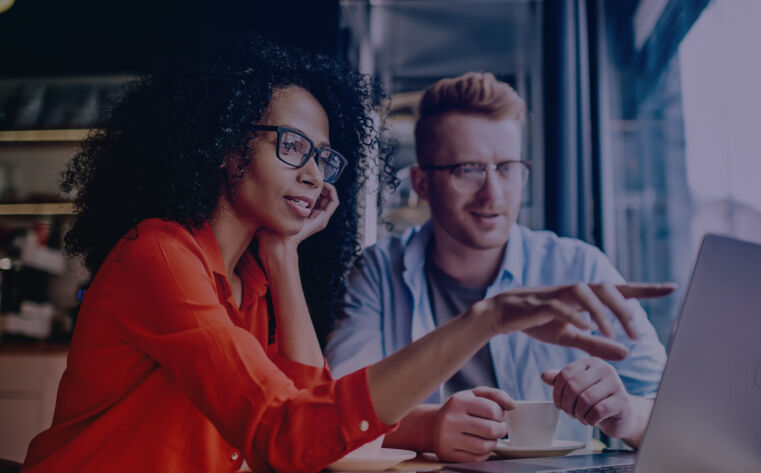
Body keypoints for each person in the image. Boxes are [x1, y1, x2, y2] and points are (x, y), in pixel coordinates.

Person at [18, 40, 672, 473]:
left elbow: (309, 408)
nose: (314, 173)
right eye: (292, 146)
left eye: (323, 156)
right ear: (224, 145)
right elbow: (287, 436)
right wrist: (487, 318)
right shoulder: (159, 255)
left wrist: (281, 256)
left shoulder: (249, 278)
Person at [325, 72, 670, 462]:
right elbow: (333, 413)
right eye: (468, 169)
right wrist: (427, 428)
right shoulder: (378, 271)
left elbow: (675, 411)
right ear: (421, 184)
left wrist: (627, 415)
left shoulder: (579, 267)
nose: (494, 193)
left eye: (507, 168)